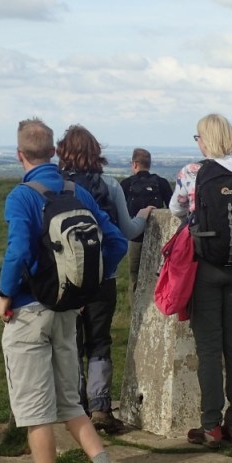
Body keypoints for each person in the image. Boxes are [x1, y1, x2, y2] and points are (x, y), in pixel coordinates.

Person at [0, 118, 135, 463]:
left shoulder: (22, 196)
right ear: (53, 153)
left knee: (37, 413)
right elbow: (115, 242)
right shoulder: (76, 191)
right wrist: (84, 289)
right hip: (65, 310)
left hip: (28, 311)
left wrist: (5, 295)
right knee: (71, 405)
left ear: (20, 155)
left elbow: (19, 249)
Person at [56, 125, 152, 433]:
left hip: (63, 281)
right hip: (102, 277)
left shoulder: (55, 186)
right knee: (99, 342)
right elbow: (128, 231)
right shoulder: (109, 185)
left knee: (71, 342)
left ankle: (76, 407)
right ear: (96, 152)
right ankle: (100, 408)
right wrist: (145, 215)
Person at [170, 113, 232, 447]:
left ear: (204, 139)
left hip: (206, 266)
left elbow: (177, 210)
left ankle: (210, 425)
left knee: (208, 349)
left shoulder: (191, 173)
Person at [120, 148, 175, 295]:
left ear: (135, 164)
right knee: (158, 276)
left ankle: (135, 313)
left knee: (134, 277)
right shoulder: (161, 183)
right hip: (158, 237)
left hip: (135, 237)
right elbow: (173, 210)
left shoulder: (126, 184)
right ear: (149, 164)